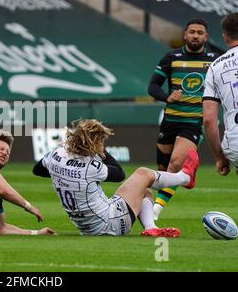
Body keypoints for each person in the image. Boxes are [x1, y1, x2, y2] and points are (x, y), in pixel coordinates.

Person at [33, 119, 199, 237]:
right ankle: (184, 178)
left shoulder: (56, 154)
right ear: (93, 145)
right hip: (109, 223)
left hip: (87, 228)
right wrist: (101, 151)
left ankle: (151, 227)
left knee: (143, 190)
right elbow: (120, 173)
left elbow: (37, 170)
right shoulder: (91, 166)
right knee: (143, 174)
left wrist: (63, 173)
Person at [148, 18, 218, 220]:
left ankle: (155, 212)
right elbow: (152, 86)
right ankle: (189, 175)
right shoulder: (171, 57)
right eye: (192, 32)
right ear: (185, 35)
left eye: (200, 32)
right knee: (162, 173)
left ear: (206, 37)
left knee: (175, 165)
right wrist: (166, 97)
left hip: (194, 122)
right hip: (170, 121)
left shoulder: (215, 60)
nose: (195, 35)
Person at [203, 13, 238, 176]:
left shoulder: (215, 67)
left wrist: (219, 157)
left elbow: (209, 119)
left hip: (235, 142)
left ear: (225, 37)